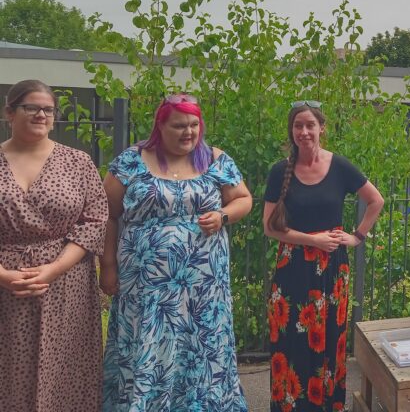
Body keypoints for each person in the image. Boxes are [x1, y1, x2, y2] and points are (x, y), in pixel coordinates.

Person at [100, 93, 253, 411]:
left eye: (195, 125)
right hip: (146, 290)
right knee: (149, 346)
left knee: (201, 347)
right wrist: (109, 264)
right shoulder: (133, 160)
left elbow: (243, 199)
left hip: (203, 290)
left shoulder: (214, 159)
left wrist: (223, 215)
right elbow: (107, 213)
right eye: (180, 126)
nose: (189, 133)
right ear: (161, 125)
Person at [263, 101, 384, 412]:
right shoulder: (280, 171)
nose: (303, 132)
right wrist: (311, 240)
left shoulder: (339, 166)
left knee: (329, 343)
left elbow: (375, 201)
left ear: (321, 128)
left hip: (332, 271)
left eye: (309, 125)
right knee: (291, 343)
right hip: (292, 271)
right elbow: (270, 228)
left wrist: (357, 236)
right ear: (291, 131)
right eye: (297, 126)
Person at [0, 79, 108, 411]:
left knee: (65, 373)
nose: (40, 115)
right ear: (9, 113)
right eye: (30, 107)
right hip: (5, 285)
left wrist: (54, 269)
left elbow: (95, 221)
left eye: (47, 109)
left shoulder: (78, 162)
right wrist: (3, 275)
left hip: (66, 284)